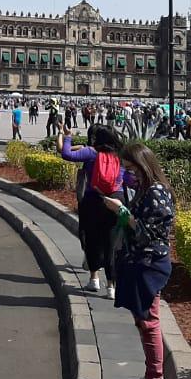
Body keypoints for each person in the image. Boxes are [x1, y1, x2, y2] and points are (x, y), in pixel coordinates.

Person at [104, 142, 176, 379]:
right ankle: (150, 377)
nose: (127, 175)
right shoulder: (146, 190)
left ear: (143, 167)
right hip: (139, 262)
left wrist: (122, 212)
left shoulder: (156, 193)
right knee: (143, 321)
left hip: (149, 263)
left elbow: (148, 233)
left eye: (130, 169)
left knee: (149, 322)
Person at [58, 125, 123, 296]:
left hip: (92, 201)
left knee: (92, 240)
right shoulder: (120, 156)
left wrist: (68, 137)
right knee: (111, 245)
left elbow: (66, 154)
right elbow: (130, 178)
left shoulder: (91, 153)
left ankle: (94, 279)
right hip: (114, 201)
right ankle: (111, 287)